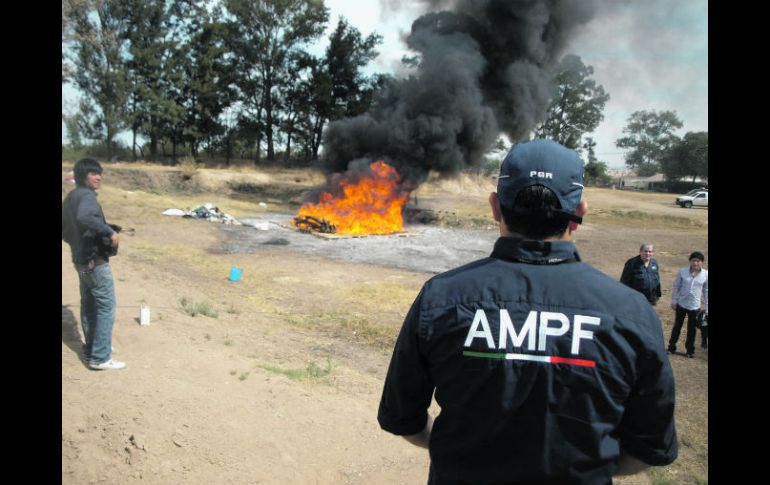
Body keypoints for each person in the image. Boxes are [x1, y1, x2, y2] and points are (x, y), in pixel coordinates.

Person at [377, 140, 677, 484]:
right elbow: (651, 446)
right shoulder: (630, 312)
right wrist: (587, 467)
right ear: (579, 212)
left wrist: (451, 450)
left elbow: (402, 417)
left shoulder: (442, 297)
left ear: (494, 207)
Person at [62, 158, 126, 370]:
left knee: (89, 305)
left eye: (99, 173)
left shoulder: (72, 196)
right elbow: (85, 217)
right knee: (106, 306)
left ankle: (93, 349)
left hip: (80, 261)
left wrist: (78, 242)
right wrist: (109, 232)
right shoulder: (87, 196)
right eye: (92, 173)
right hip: (94, 262)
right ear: (82, 176)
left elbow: (67, 228)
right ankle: (100, 357)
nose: (98, 177)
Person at [668, 252, 708, 358]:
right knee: (677, 326)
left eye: (698, 261)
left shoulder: (705, 274)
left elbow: (706, 291)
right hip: (681, 304)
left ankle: (690, 351)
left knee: (692, 329)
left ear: (702, 262)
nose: (695, 263)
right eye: (693, 260)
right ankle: (671, 347)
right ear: (690, 261)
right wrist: (674, 301)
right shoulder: (683, 272)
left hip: (695, 306)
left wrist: (707, 307)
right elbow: (677, 286)